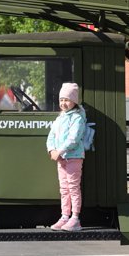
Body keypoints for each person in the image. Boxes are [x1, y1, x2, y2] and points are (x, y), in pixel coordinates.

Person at [46, 82, 87, 231]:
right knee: (64, 188)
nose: (63, 103)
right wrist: (51, 150)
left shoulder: (77, 117)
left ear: (74, 101)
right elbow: (51, 135)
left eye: (67, 100)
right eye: (61, 100)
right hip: (61, 158)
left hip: (73, 157)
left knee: (73, 187)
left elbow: (73, 138)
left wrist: (59, 151)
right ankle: (65, 216)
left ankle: (75, 218)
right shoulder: (60, 117)